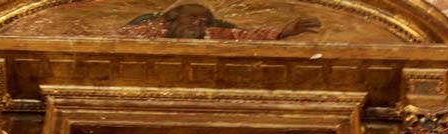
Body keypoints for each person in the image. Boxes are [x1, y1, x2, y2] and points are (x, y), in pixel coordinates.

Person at [117, 3, 320, 41]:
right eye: (193, 17)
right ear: (172, 19)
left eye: (204, 20)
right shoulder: (149, 31)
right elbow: (112, 38)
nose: (199, 23)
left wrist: (284, 32)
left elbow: (245, 35)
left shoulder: (211, 34)